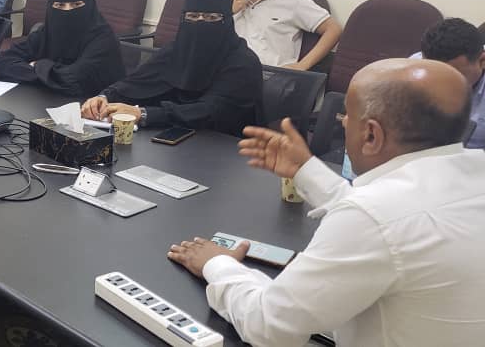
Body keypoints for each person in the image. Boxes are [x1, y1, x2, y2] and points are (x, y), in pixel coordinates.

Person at [168, 58, 485, 346]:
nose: (343, 122)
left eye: (348, 114)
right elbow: (395, 220)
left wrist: (218, 264)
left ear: (371, 135)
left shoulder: (372, 217)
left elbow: (268, 327)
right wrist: (306, 170)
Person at [81, 0, 262, 136]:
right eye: (192, 17)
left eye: (211, 18)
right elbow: (138, 81)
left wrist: (142, 113)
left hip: (223, 148)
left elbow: (211, 110)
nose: (200, 23)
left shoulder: (243, 63)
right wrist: (104, 97)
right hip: (173, 140)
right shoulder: (176, 50)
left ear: (227, 21)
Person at [0, 0, 124, 97]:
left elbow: (74, 79)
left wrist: (38, 65)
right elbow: (3, 61)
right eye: (60, 5)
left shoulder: (103, 38)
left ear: (90, 3)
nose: (68, 11)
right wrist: (47, 75)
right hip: (45, 102)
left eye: (76, 4)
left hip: (91, 107)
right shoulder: (47, 32)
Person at [411, 18, 485, 148]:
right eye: (434, 73)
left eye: (453, 74)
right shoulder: (412, 70)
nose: (442, 84)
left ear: (482, 61)